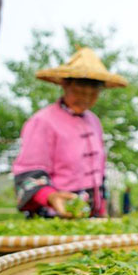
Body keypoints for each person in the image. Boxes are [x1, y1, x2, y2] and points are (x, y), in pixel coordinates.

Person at [12, 47, 128, 218]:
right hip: (53, 216)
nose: (85, 99)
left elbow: (99, 173)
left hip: (89, 215)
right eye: (80, 92)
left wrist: (101, 207)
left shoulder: (94, 121)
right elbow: (30, 170)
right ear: (66, 85)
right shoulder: (43, 121)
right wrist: (51, 197)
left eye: (92, 94)